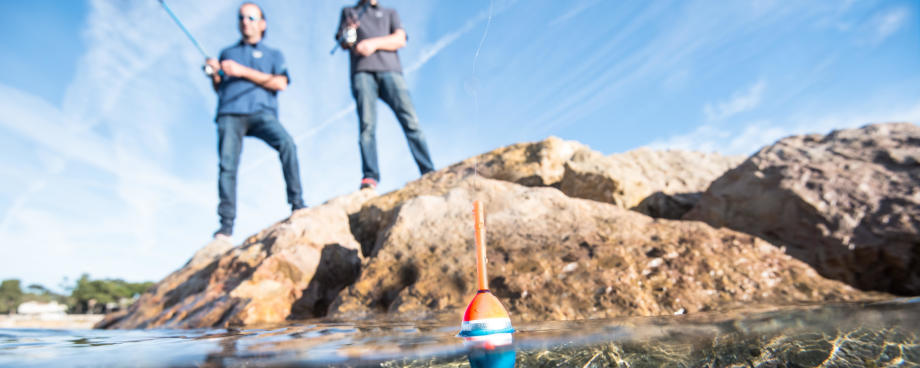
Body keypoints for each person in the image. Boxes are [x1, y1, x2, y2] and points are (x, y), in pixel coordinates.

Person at [205, 2, 306, 239]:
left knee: (287, 145)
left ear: (262, 23)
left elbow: (280, 83)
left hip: (262, 113)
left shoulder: (273, 54)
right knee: (227, 167)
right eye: (241, 17)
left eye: (251, 17)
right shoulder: (227, 53)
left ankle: (297, 203)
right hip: (230, 112)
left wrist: (242, 71)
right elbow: (219, 88)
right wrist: (214, 73)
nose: (245, 21)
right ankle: (226, 226)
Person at [335, 0, 435, 190]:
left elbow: (400, 39)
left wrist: (373, 43)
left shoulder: (390, 12)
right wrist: (350, 32)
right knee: (367, 125)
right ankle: (370, 176)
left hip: (391, 72)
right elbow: (345, 42)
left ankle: (428, 169)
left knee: (410, 121)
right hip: (362, 73)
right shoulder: (349, 12)